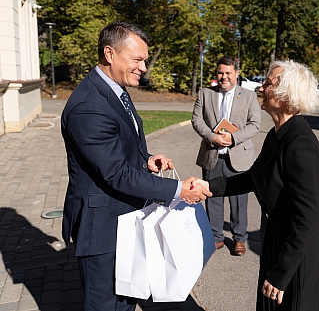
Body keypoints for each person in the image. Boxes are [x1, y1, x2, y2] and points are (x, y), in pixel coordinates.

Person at [61, 21, 211, 311]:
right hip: (103, 231)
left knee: (127, 303)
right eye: (137, 59)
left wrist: (146, 159)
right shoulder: (89, 105)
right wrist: (178, 190)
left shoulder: (116, 90)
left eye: (144, 60)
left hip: (126, 222)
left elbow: (119, 152)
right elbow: (116, 174)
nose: (143, 67)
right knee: (106, 307)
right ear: (109, 53)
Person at [199, 60, 319, 310]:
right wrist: (207, 187)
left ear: (286, 94)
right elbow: (252, 177)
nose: (261, 88)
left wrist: (282, 273)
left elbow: (307, 218)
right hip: (276, 239)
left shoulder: (302, 145)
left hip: (298, 255)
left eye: (268, 84)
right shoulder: (277, 134)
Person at [191, 55, 261, 255]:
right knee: (212, 196)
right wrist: (213, 137)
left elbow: (255, 124)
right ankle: (216, 237)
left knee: (239, 200)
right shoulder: (205, 94)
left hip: (239, 157)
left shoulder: (248, 96)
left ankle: (239, 238)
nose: (224, 77)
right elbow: (196, 120)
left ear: (236, 74)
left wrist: (233, 138)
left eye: (228, 73)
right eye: (220, 73)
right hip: (212, 155)